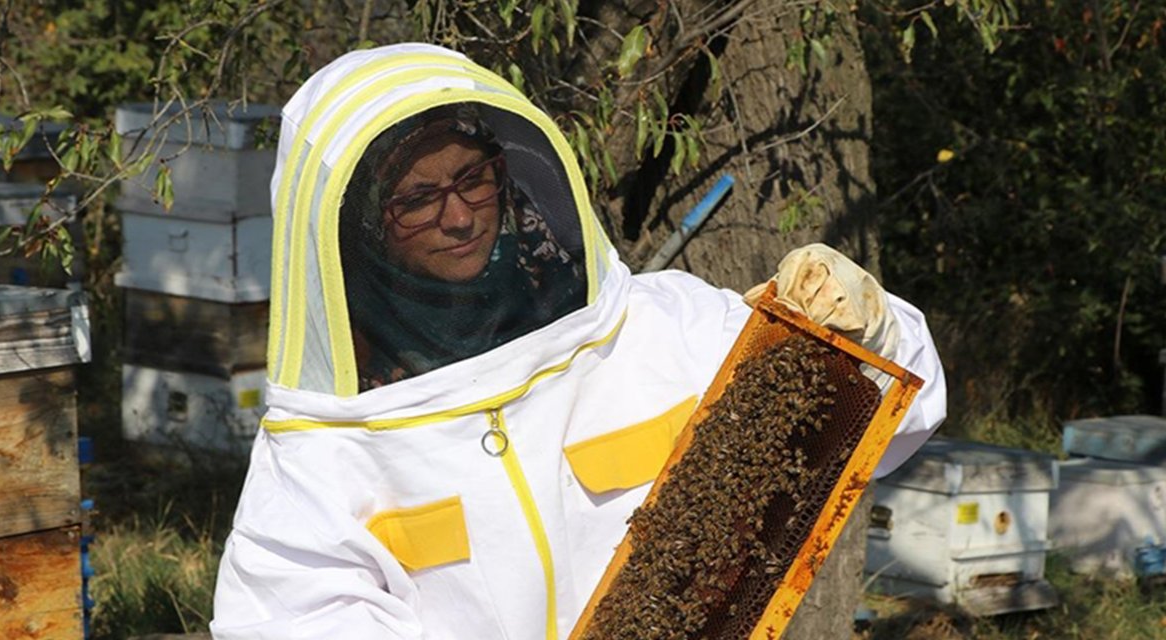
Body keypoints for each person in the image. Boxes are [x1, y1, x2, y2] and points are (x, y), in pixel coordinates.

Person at [211, 43, 946, 640]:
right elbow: (287, 620)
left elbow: (894, 419)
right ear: (362, 225)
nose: (460, 216)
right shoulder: (323, 453)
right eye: (418, 199)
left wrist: (869, 326)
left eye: (472, 179)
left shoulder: (655, 330)